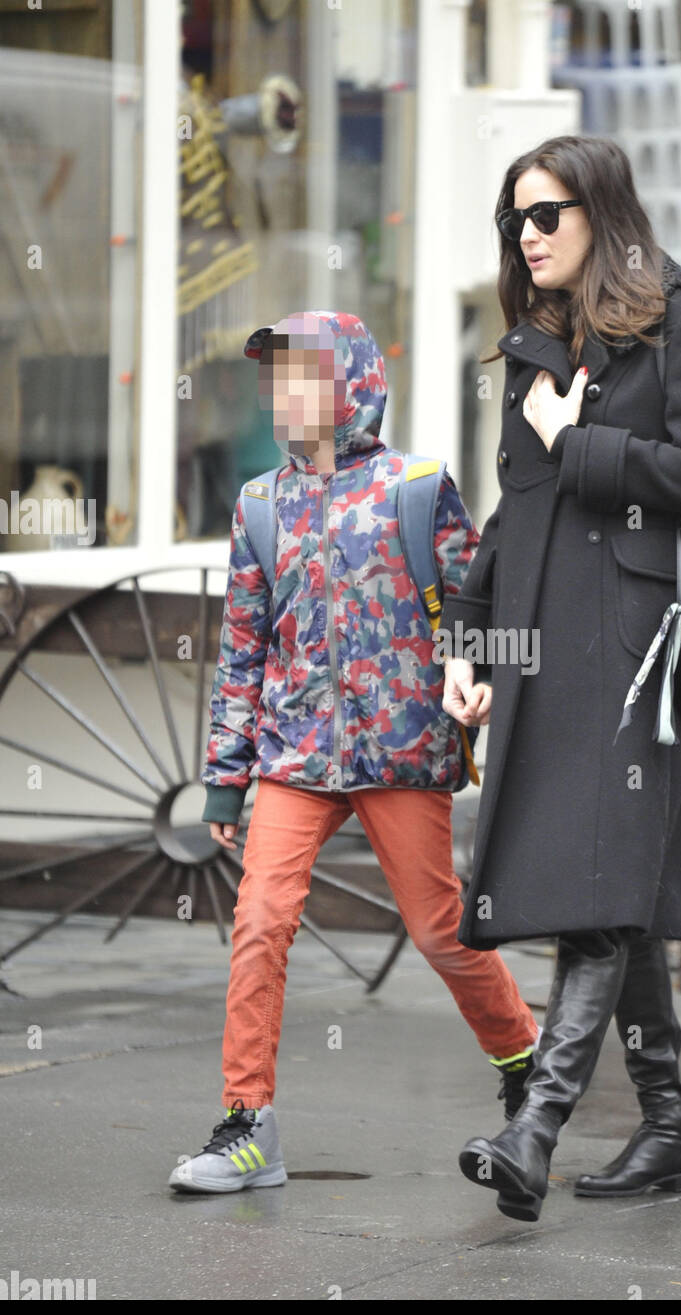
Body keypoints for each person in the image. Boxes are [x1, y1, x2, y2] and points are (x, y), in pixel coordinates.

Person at [441, 135, 681, 1222]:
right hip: (545, 655)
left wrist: (583, 446)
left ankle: (535, 1128)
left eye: (545, 216)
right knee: (607, 885)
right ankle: (666, 1125)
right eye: (514, 221)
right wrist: (467, 646)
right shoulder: (534, 348)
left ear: (600, 213)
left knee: (605, 880)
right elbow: (510, 514)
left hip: (639, 656)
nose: (526, 238)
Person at [169, 310, 539, 1194]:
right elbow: (244, 648)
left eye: (304, 375)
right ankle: (245, 1125)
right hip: (292, 753)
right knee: (259, 920)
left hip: (402, 748)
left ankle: (527, 1066)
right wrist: (224, 782)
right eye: (276, 379)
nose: (285, 394)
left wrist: (479, 679)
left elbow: (471, 606)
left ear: (354, 384)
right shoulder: (260, 503)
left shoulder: (417, 487)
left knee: (440, 929)